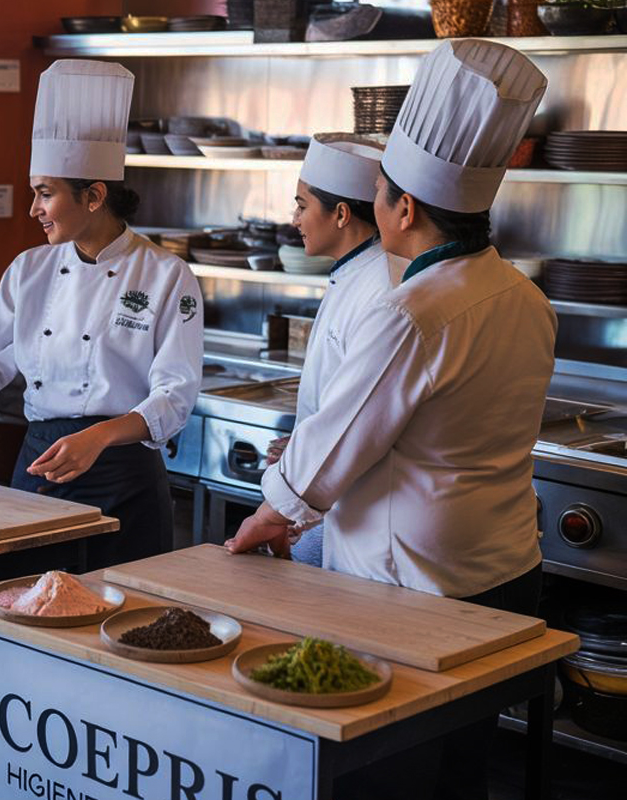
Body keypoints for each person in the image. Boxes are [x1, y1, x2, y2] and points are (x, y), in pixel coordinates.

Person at [228, 40, 553, 799]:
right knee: (461, 770)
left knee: (391, 776)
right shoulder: (525, 297)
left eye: (379, 193)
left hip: (414, 589)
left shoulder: (414, 312)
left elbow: (334, 449)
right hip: (505, 574)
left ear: (403, 209)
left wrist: (268, 515)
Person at [0, 60, 203, 571]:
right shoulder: (28, 269)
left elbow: (175, 396)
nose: (33, 209)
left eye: (45, 193)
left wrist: (99, 436)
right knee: (26, 603)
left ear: (94, 196)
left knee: (123, 609)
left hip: (123, 472)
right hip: (41, 464)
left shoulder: (166, 276)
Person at [265, 133, 393, 566]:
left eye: (302, 206)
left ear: (340, 214)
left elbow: (368, 418)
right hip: (325, 491)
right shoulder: (350, 273)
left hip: (350, 508)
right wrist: (303, 445)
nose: (294, 220)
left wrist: (309, 459)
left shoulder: (382, 287)